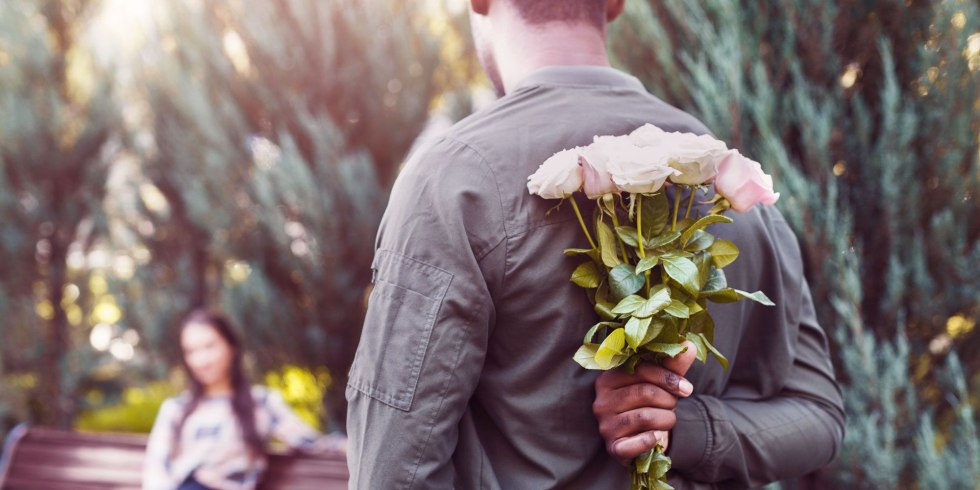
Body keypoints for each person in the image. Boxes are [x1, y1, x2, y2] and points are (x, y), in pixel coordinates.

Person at [345, 0, 845, 488]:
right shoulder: (730, 181)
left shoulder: (456, 179)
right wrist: (691, 428)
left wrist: (665, 424)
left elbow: (393, 472)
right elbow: (819, 415)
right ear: (615, 4)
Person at [143, 309, 344, 490]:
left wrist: (342, 445)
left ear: (231, 347)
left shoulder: (261, 403)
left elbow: (307, 440)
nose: (200, 360)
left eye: (209, 346)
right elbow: (156, 467)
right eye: (191, 351)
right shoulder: (176, 408)